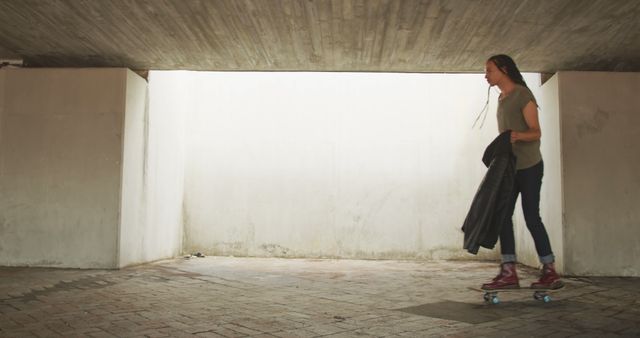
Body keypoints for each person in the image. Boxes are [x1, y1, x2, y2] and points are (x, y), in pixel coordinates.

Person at [481, 54, 563, 290]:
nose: (486, 75)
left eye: (489, 70)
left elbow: (536, 132)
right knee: (503, 216)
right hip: (509, 168)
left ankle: (549, 270)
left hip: (529, 166)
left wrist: (516, 135)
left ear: (504, 70)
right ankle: (509, 272)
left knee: (531, 217)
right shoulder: (502, 98)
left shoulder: (522, 95)